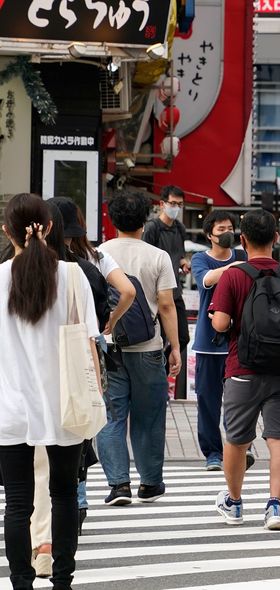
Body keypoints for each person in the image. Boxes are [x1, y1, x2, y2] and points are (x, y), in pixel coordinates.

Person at [0, 193, 97, 590]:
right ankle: (62, 581)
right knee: (64, 495)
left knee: (18, 501)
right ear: (51, 227)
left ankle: (21, 582)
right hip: (65, 404)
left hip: (10, 406)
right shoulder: (73, 275)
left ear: (7, 231)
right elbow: (90, 344)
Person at [210, 209, 280, 531]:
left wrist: (221, 318)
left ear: (242, 240)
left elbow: (222, 322)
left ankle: (235, 502)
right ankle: (275, 506)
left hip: (243, 369)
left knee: (237, 440)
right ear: (277, 238)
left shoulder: (233, 276)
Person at [52, 197, 136, 535]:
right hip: (83, 352)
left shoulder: (22, 264)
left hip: (40, 356)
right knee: (80, 422)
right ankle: (80, 495)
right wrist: (108, 325)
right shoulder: (91, 261)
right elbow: (127, 291)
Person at [97, 190, 181, 506]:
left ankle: (118, 484)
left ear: (112, 219)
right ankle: (149, 483)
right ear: (144, 221)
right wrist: (174, 347)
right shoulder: (157, 256)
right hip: (147, 347)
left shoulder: (99, 253)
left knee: (112, 415)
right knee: (149, 416)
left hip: (109, 345)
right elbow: (166, 305)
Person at [190, 211, 245, 471]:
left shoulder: (242, 256)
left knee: (240, 400)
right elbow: (205, 280)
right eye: (221, 228)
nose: (227, 233)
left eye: (230, 228)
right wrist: (233, 268)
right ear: (209, 234)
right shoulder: (200, 258)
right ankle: (213, 452)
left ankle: (239, 447)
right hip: (208, 343)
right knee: (208, 400)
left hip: (238, 341)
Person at [142, 185, 191, 394]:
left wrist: (183, 263)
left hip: (175, 290)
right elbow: (146, 257)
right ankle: (159, 382)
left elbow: (178, 254)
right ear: (162, 204)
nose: (176, 208)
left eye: (179, 204)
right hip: (155, 292)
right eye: (172, 203)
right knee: (158, 337)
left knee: (181, 337)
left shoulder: (180, 229)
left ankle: (167, 374)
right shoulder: (152, 228)